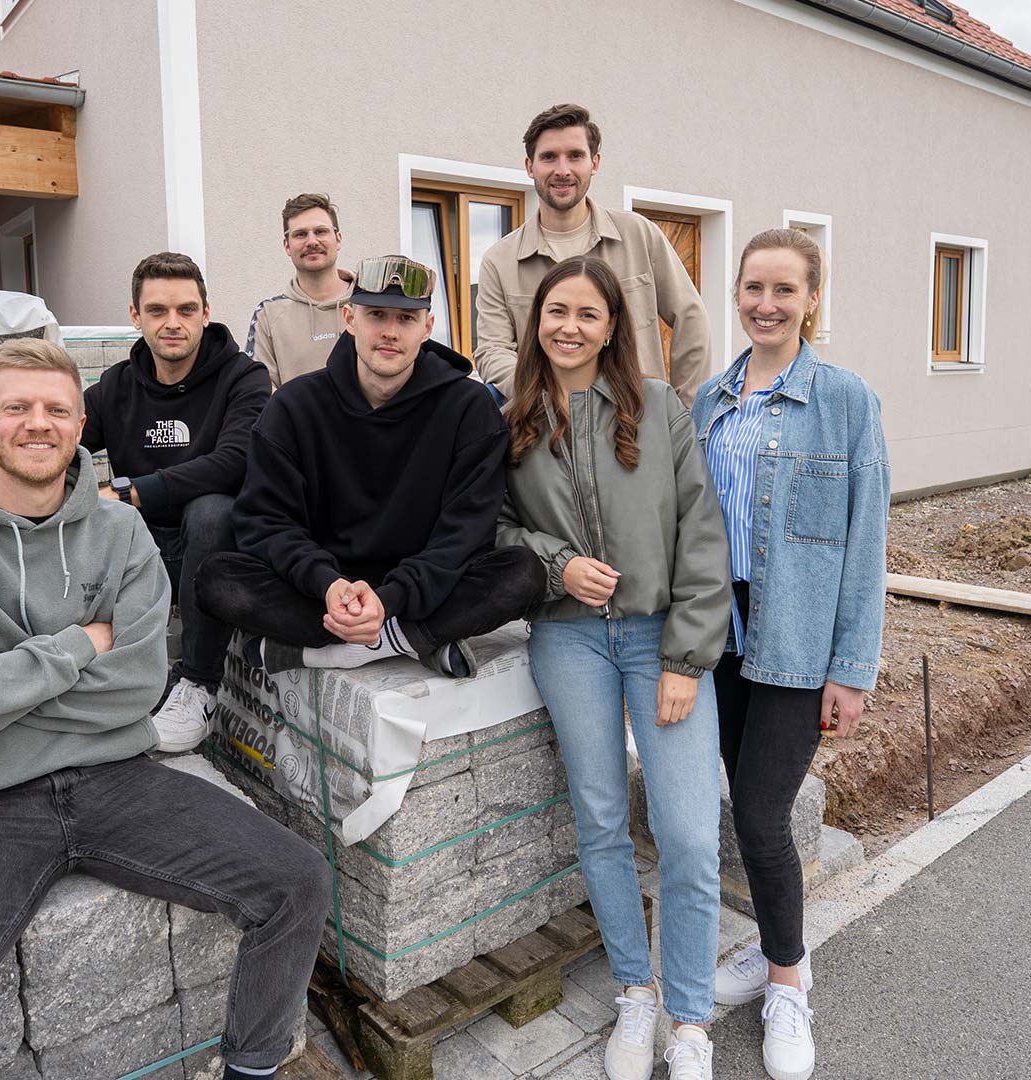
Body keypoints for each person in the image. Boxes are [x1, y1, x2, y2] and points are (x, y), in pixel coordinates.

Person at [0, 340, 329, 1080]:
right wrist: (81, 643)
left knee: (299, 882)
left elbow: (138, 686)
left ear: (81, 424)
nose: (36, 423)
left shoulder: (121, 532)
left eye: (56, 409)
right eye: (17, 407)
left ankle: (252, 1068)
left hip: (117, 778)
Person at [497, 256, 731, 1080]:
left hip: (660, 638)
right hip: (567, 641)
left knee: (688, 835)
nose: (569, 327)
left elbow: (702, 531)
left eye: (587, 314)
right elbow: (491, 528)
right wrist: (556, 563)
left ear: (610, 328)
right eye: (556, 311)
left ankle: (690, 1022)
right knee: (599, 821)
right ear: (536, 323)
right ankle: (636, 989)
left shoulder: (658, 406)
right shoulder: (510, 417)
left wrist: (687, 658)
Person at [692, 228, 889, 1080]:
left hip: (798, 643)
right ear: (736, 293)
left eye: (784, 289)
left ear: (812, 299)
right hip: (719, 640)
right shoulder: (711, 399)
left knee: (762, 818)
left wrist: (852, 668)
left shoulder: (844, 400)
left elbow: (866, 541)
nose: (765, 304)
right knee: (742, 805)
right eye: (753, 288)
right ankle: (776, 950)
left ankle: (787, 982)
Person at [199, 255, 546, 678]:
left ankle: (339, 650)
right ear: (350, 318)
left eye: (406, 318)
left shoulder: (469, 408)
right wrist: (327, 583)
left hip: (423, 585)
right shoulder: (293, 407)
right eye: (376, 314)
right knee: (218, 578)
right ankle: (413, 639)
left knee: (523, 573)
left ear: (427, 327)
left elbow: (465, 534)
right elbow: (266, 522)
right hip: (324, 590)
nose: (389, 332)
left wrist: (391, 598)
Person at [82, 252, 270, 752]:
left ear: (205, 314)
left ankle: (199, 684)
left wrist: (128, 491)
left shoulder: (244, 377)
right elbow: (62, 442)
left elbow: (236, 460)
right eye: (157, 310)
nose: (173, 323)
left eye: (186, 309)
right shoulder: (116, 386)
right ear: (135, 316)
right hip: (142, 546)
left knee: (211, 508)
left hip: (218, 550)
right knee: (72, 505)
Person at [474, 103, 710, 405]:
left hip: (638, 421)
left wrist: (685, 410)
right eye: (549, 157)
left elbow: (691, 317)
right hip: (548, 426)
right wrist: (548, 398)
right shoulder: (500, 261)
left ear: (594, 163)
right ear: (530, 166)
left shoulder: (639, 235)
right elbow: (493, 351)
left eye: (575, 156)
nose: (562, 170)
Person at [246, 193, 355, 388]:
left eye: (321, 231)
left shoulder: (368, 304)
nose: (312, 241)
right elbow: (260, 390)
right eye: (300, 234)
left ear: (338, 239)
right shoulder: (268, 315)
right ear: (287, 246)